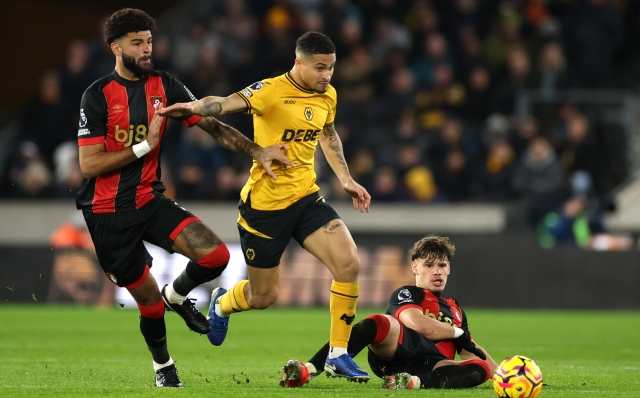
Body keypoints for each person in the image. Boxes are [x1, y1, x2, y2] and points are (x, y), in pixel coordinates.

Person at [76, 8, 292, 388]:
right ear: (115, 47)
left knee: (217, 257)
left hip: (149, 200)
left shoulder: (165, 85)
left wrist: (257, 151)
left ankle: (177, 294)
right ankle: (164, 366)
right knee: (148, 304)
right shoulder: (97, 96)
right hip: (108, 214)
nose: (147, 49)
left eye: (149, 41)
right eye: (137, 43)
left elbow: (211, 124)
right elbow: (90, 165)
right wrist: (145, 147)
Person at [159, 31, 372, 380]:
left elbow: (328, 133)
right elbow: (224, 103)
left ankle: (337, 353)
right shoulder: (271, 90)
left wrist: (346, 179)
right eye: (320, 68)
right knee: (264, 296)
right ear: (298, 63)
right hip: (266, 207)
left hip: (306, 198)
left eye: (331, 68)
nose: (327, 76)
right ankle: (223, 302)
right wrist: (193, 108)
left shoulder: (327, 95)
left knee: (348, 263)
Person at [280, 235, 498, 390]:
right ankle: (307, 370)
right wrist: (458, 333)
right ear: (414, 267)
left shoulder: (455, 308)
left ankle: (411, 382)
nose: (436, 271)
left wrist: (499, 373)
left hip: (433, 365)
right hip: (399, 351)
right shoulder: (406, 293)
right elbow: (417, 323)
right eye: (429, 265)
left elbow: (469, 349)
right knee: (379, 321)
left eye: (442, 265)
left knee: (480, 367)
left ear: (449, 268)